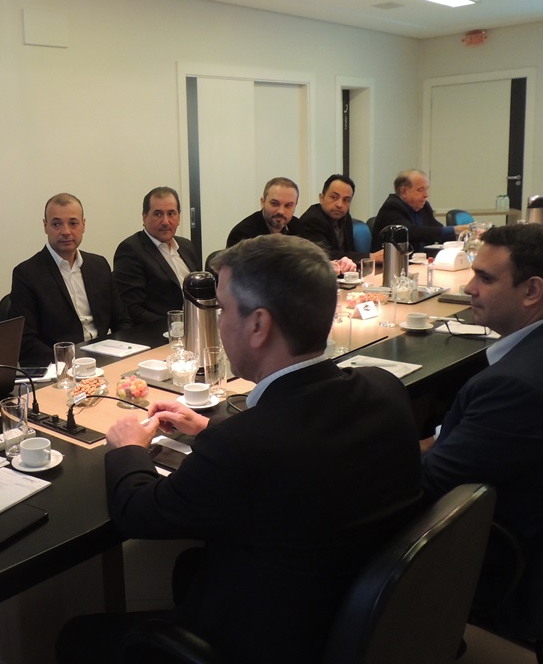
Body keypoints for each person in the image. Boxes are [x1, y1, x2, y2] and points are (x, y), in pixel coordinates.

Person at [58, 235, 422, 663]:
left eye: (223, 309)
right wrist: (208, 428)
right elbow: (289, 445)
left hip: (270, 639)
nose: (218, 321)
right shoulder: (385, 389)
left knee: (77, 637)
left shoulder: (244, 445)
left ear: (258, 326)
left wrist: (127, 449)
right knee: (189, 567)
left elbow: (138, 513)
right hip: (352, 619)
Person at [420, 224, 543, 641]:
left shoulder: (517, 386)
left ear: (532, 291)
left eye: (485, 278)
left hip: (504, 561)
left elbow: (429, 487)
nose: (468, 288)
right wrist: (434, 440)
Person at [10, 193, 131, 365]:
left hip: (105, 360)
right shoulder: (26, 274)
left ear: (83, 225)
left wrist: (126, 353)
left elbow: (122, 321)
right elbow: (27, 343)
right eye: (56, 224)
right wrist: (70, 362)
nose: (66, 232)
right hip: (60, 366)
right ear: (45, 226)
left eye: (73, 223)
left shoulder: (99, 265)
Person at [113, 186, 201, 326]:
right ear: (144, 217)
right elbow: (132, 309)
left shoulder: (186, 246)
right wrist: (176, 325)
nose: (165, 221)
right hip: (157, 332)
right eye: (158, 214)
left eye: (171, 213)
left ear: (179, 217)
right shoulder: (131, 250)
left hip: (195, 327)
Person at [369, 168, 470, 251]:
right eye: (421, 190)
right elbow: (411, 232)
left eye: (426, 189)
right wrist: (454, 230)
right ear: (403, 191)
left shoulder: (423, 207)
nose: (426, 194)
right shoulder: (391, 207)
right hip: (391, 265)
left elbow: (436, 229)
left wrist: (463, 235)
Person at [296, 173, 376, 272]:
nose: (339, 204)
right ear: (322, 198)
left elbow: (347, 252)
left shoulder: (345, 217)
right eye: (334, 197)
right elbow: (325, 256)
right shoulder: (312, 220)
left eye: (346, 200)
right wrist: (370, 256)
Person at [225, 176, 300, 247]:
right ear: (263, 202)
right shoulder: (242, 235)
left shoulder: (298, 227)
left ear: (295, 205)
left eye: (288, 206)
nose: (281, 211)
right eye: (274, 204)